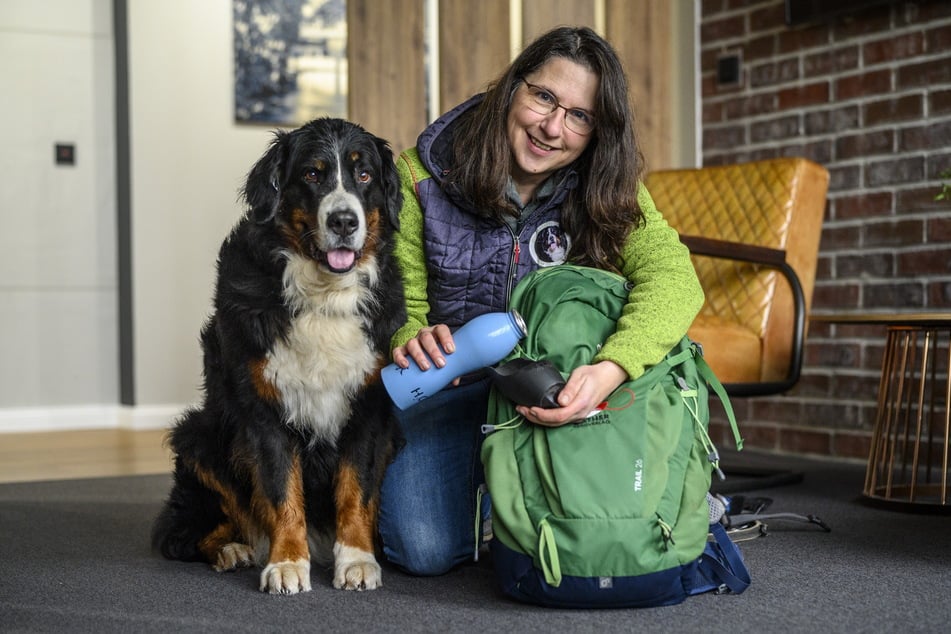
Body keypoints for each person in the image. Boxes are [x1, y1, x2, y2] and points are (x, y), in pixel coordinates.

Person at [378, 26, 704, 576]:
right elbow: (396, 296)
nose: (553, 128)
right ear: (512, 88)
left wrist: (609, 370)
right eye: (544, 97)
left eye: (581, 116)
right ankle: (505, 508)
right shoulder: (418, 178)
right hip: (454, 393)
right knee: (422, 548)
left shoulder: (607, 187)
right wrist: (408, 332)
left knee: (602, 524)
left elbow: (675, 279)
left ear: (599, 131)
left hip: (562, 395)